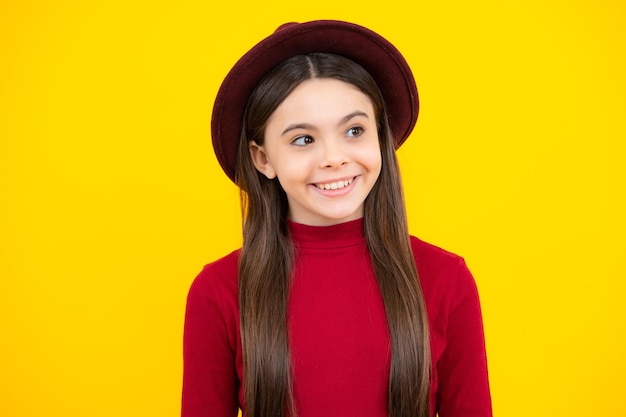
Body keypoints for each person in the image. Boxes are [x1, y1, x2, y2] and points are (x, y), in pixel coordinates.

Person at [182, 20, 492, 417]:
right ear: (263, 158)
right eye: (303, 139)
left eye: (354, 130)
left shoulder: (446, 279)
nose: (334, 157)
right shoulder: (218, 291)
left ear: (379, 137)